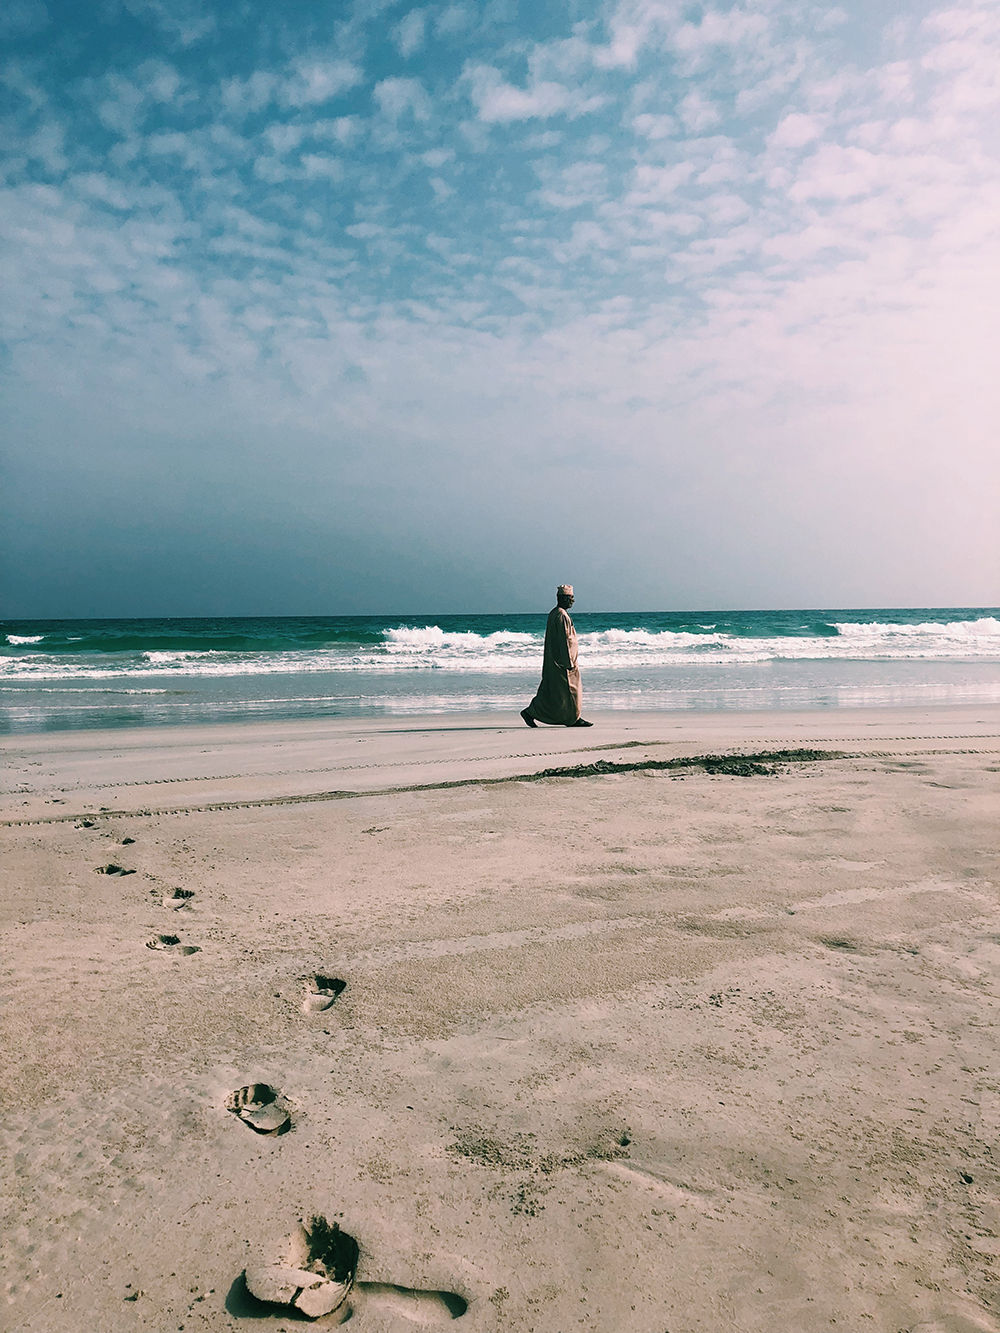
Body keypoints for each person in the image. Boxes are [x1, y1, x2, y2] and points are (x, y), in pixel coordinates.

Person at [521, 585, 593, 728]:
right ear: (563, 598)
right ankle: (573, 718)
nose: (573, 600)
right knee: (572, 691)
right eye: (571, 597)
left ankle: (531, 712)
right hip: (564, 662)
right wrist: (568, 662)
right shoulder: (561, 615)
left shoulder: (555, 613)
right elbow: (564, 641)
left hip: (556, 661)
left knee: (554, 692)